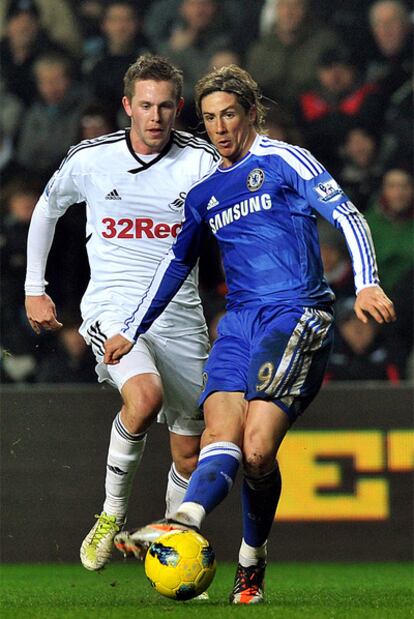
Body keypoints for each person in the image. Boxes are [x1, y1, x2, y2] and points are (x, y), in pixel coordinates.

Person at [105, 65, 396, 604]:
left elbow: (347, 215)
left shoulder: (283, 160)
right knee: (222, 437)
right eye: (209, 118)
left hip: (295, 315)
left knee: (257, 451)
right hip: (238, 325)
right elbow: (175, 266)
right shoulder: (205, 193)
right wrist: (131, 329)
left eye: (229, 115)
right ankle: (186, 521)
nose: (219, 128)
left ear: (251, 114)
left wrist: (368, 283)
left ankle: (248, 558)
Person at [24, 54, 219, 572]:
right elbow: (46, 208)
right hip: (111, 307)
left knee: (188, 454)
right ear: (127, 106)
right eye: (146, 106)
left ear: (178, 109)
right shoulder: (92, 159)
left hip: (180, 317)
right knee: (145, 396)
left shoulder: (202, 161)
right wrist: (33, 289)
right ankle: (111, 516)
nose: (155, 118)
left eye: (166, 108)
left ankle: (173, 548)